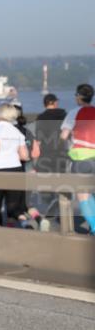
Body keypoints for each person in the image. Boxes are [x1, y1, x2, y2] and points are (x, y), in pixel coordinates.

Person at [60, 83, 95, 234]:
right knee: (90, 194)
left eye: (76, 95)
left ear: (80, 97)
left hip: (80, 158)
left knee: (83, 195)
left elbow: (63, 136)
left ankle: (94, 227)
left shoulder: (74, 113)